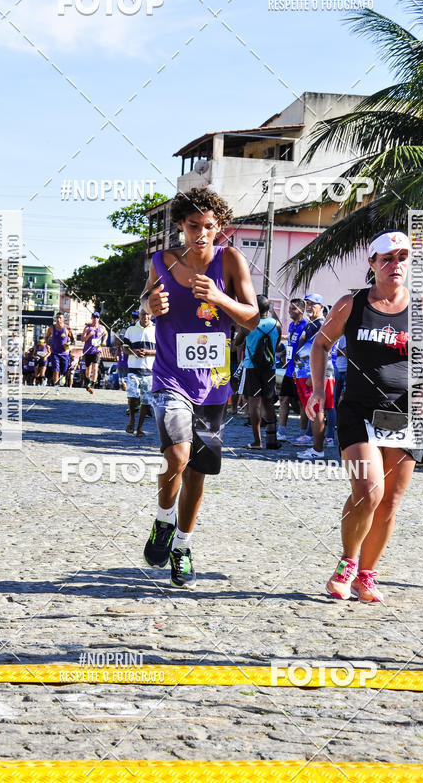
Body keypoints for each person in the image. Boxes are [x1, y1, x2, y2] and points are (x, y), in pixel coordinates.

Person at [306, 230, 423, 604]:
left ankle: (366, 576)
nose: (395, 265)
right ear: (372, 264)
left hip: (404, 413)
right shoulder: (351, 304)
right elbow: (321, 344)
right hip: (358, 409)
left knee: (390, 500)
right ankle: (347, 562)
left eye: (402, 258)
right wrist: (319, 390)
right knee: (368, 490)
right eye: (387, 258)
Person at [141, 186, 259, 588]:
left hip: (214, 383)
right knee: (176, 455)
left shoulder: (230, 260)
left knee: (196, 473)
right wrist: (148, 307)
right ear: (180, 225)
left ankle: (183, 546)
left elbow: (252, 318)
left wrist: (220, 299)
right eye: (194, 226)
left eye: (210, 226)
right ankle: (162, 520)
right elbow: (146, 298)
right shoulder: (163, 261)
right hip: (170, 376)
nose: (202, 234)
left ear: (219, 227)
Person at [235, 294, 281, 450]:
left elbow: (237, 342)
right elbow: (277, 345)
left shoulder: (249, 325)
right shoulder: (276, 324)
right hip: (270, 367)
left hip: (251, 366)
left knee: (254, 404)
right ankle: (272, 440)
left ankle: (257, 441)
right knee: (269, 403)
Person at [294, 293, 327, 460]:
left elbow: (323, 349)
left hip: (310, 373)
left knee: (316, 410)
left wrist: (315, 375)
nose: (309, 306)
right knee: (311, 410)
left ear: (321, 306)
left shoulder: (321, 324)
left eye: (313, 303)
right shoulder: (310, 323)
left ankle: (318, 449)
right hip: (301, 372)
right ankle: (315, 447)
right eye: (307, 303)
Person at [277, 298, 308, 443]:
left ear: (302, 310)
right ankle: (281, 431)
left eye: (293, 309)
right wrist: (283, 355)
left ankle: (303, 433)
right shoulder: (290, 325)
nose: (290, 311)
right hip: (289, 370)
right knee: (283, 399)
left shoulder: (306, 326)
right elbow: (291, 344)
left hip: (301, 370)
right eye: (290, 308)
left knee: (302, 402)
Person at [122, 308, 156, 435]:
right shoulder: (131, 329)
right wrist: (133, 352)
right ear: (139, 315)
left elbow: (161, 350)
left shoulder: (156, 330)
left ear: (151, 316)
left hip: (149, 371)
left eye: (147, 314)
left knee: (146, 401)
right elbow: (125, 348)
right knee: (132, 396)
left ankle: (140, 427)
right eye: (143, 314)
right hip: (133, 369)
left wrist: (148, 352)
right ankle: (131, 419)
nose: (145, 317)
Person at [46, 312, 74, 392]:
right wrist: (47, 345)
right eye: (57, 318)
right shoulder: (51, 328)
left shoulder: (67, 328)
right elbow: (46, 337)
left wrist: (68, 343)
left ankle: (63, 376)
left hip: (64, 353)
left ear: (63, 319)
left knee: (64, 370)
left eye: (60, 318)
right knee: (56, 370)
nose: (58, 319)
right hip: (55, 353)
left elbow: (72, 340)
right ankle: (56, 388)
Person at [82, 311, 107, 394]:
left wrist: (104, 341)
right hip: (88, 350)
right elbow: (83, 339)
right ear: (91, 318)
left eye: (97, 317)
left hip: (97, 350)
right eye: (94, 317)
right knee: (88, 370)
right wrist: (89, 335)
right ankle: (88, 383)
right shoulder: (87, 328)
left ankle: (92, 385)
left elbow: (106, 334)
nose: (95, 319)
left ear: (99, 319)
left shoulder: (102, 328)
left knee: (95, 368)